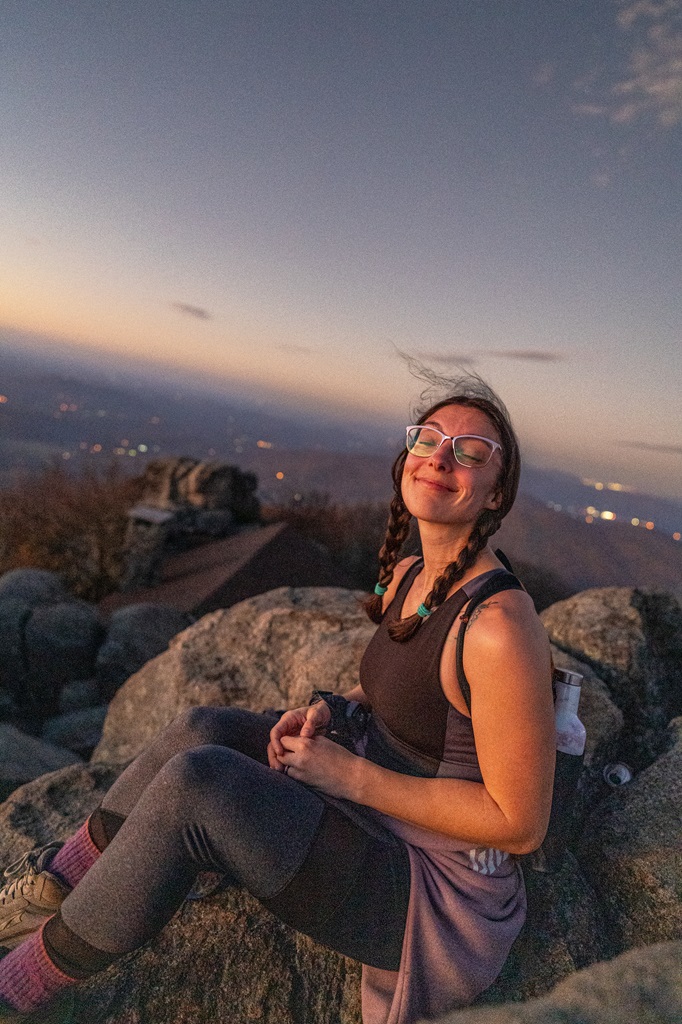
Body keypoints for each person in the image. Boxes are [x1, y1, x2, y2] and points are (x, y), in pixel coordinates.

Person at [0, 373, 555, 1024]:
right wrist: (333, 707)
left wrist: (347, 774)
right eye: (428, 438)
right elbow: (408, 690)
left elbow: (518, 823)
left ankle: (18, 986)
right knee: (199, 727)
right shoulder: (412, 575)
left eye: (471, 451)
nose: (441, 456)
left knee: (198, 784)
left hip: (432, 888)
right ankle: (58, 883)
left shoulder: (498, 627)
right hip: (382, 815)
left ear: (497, 492)